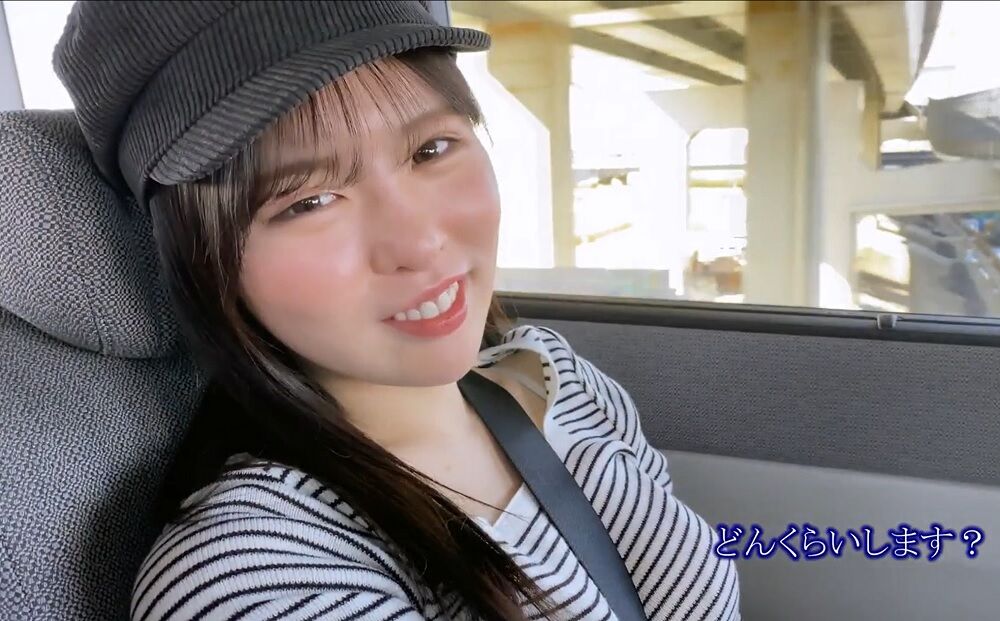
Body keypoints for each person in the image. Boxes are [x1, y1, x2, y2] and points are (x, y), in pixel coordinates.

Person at [53, 2, 740, 620]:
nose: (419, 243)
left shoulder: (559, 378)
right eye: (308, 202)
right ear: (204, 262)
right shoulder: (252, 575)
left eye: (430, 149)